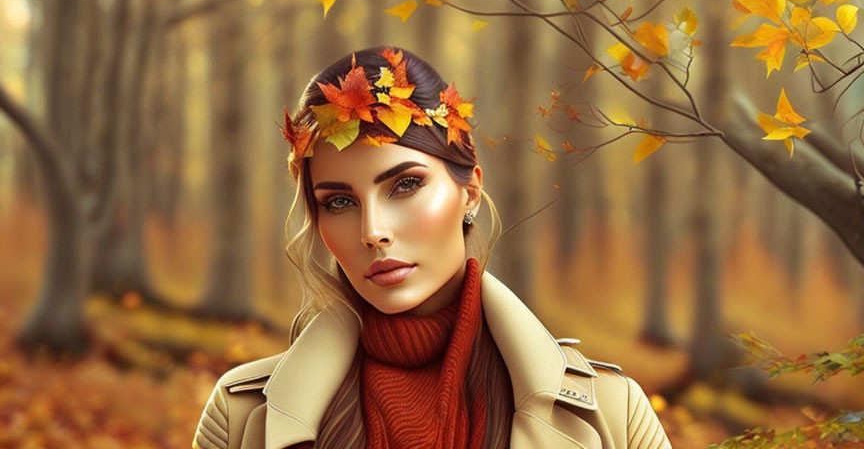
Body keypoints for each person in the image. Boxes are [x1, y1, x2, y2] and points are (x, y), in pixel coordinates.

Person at [192, 46, 673, 449]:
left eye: (404, 186)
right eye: (339, 201)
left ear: (469, 190)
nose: (372, 232)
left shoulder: (614, 414)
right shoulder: (241, 416)